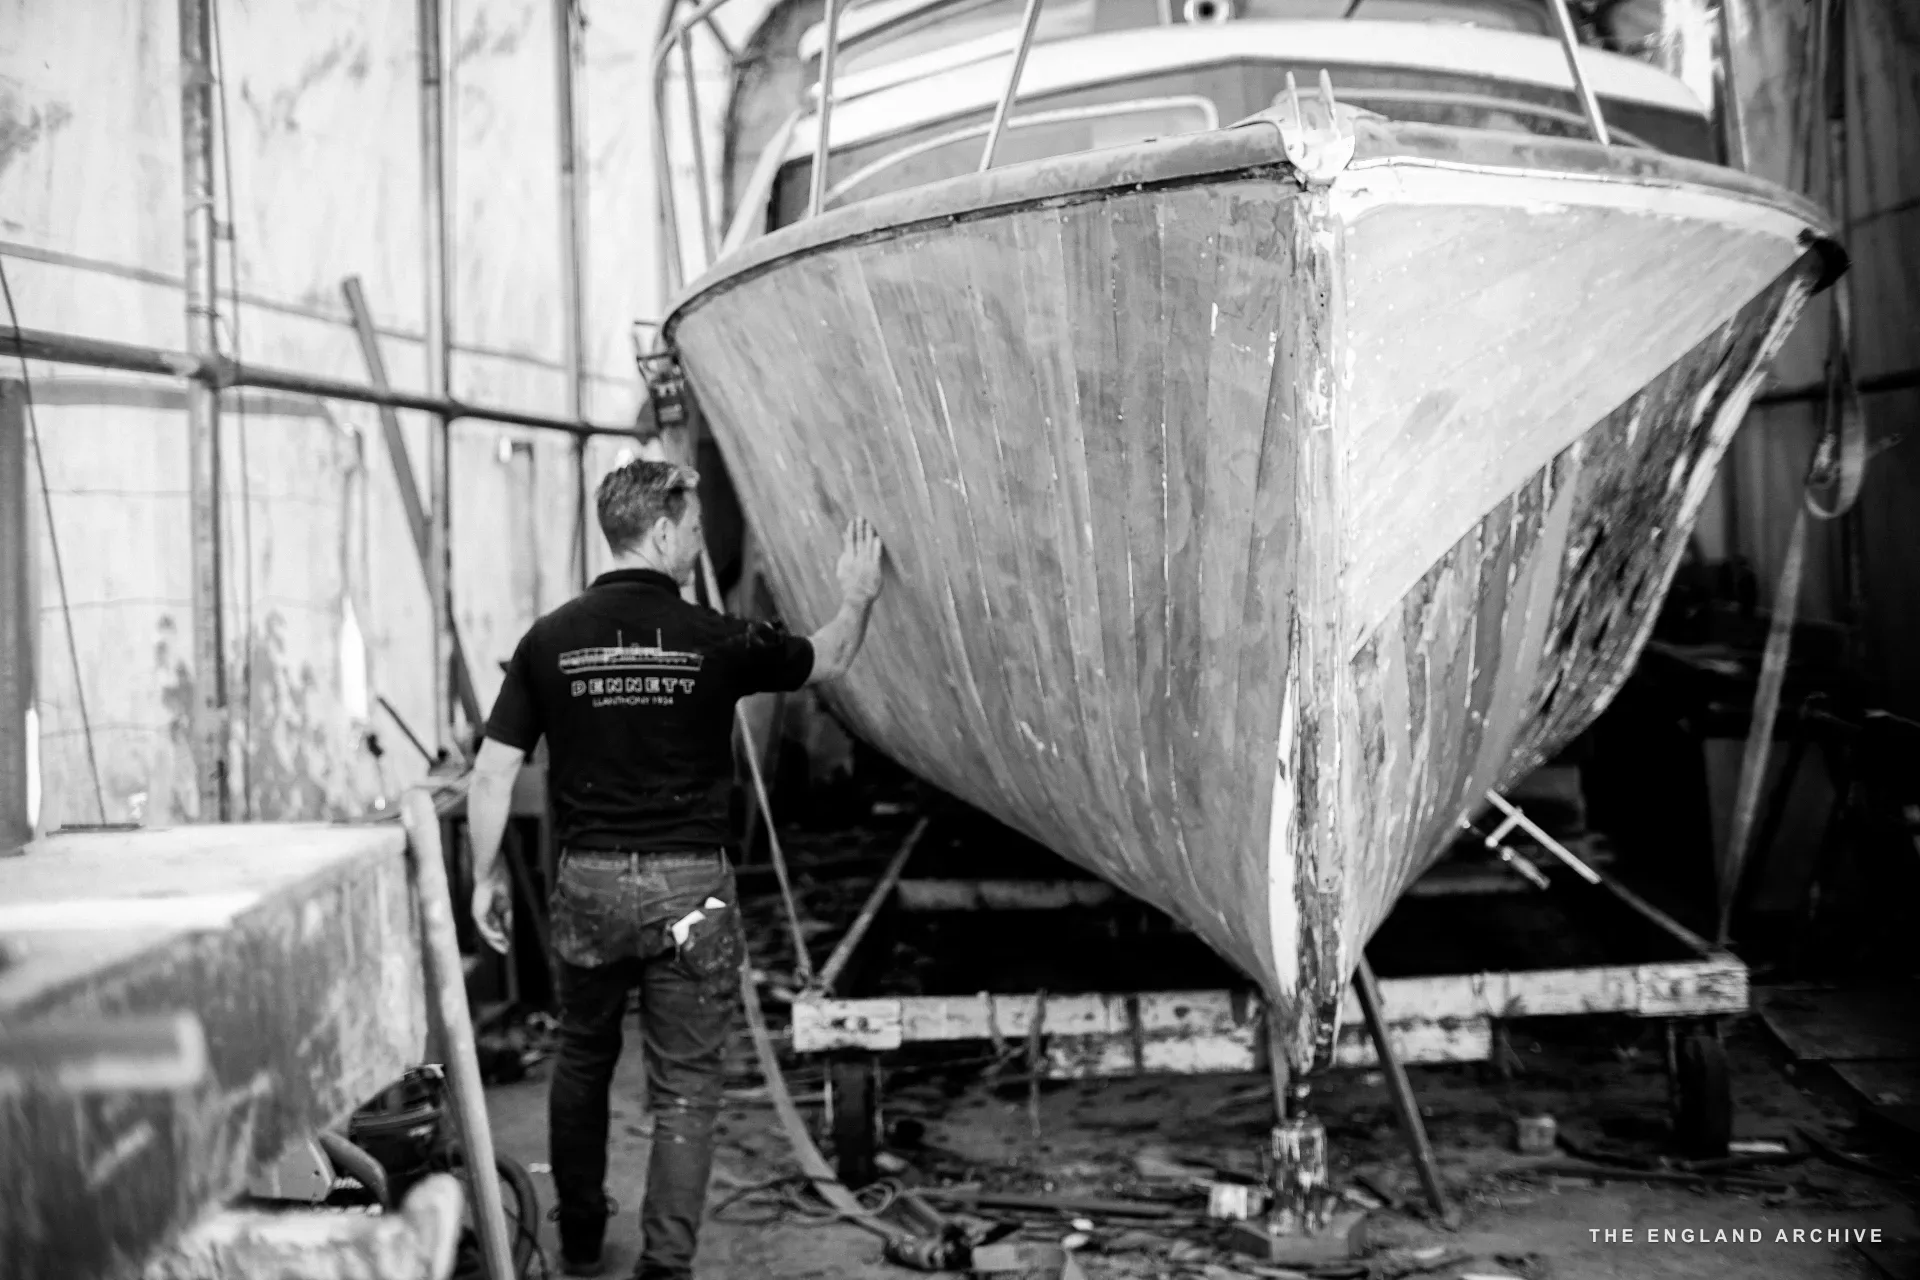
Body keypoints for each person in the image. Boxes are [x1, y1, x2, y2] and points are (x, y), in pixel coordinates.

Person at [464, 459, 886, 1279]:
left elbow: (491, 771)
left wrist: (482, 878)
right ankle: (666, 1266)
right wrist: (857, 595)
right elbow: (829, 660)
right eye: (693, 528)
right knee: (688, 1084)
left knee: (582, 1059)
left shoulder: (548, 637)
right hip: (692, 891)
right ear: (661, 532)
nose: (699, 542)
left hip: (588, 883)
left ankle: (580, 1236)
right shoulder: (713, 637)